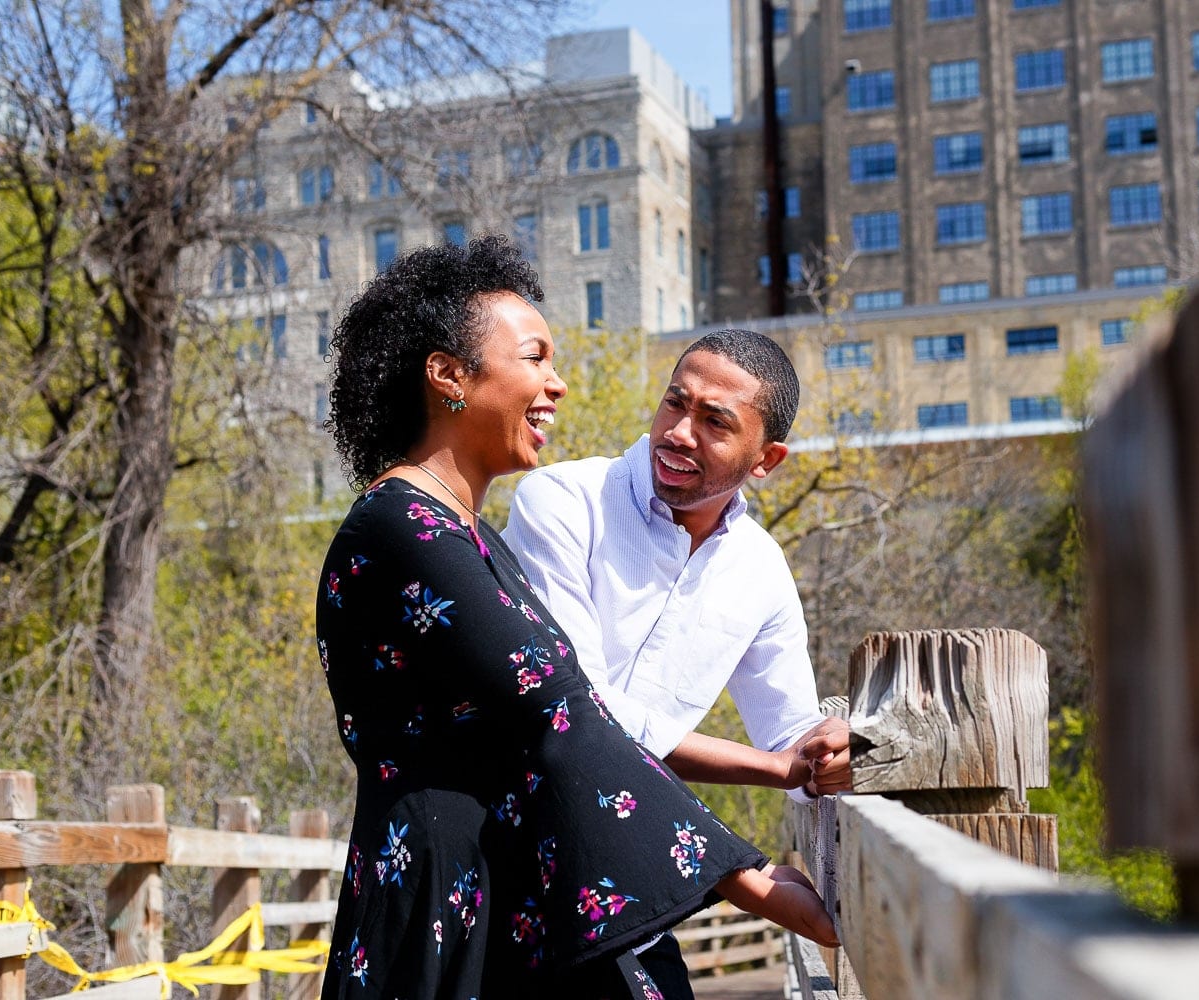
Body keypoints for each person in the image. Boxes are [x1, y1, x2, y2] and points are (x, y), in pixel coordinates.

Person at [315, 235, 836, 1000]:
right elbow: (563, 710)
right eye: (535, 358)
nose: (557, 384)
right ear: (450, 376)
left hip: (512, 889)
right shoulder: (404, 527)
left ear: (766, 458)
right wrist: (751, 880)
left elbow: (568, 716)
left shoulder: (458, 532)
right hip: (443, 894)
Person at [503, 330, 851, 800]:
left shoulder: (761, 567)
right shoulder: (562, 501)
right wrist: (773, 771)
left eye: (715, 422)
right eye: (675, 403)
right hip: (491, 820)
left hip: (616, 831)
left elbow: (791, 735)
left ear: (766, 459)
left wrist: (830, 756)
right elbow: (576, 703)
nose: (678, 433)